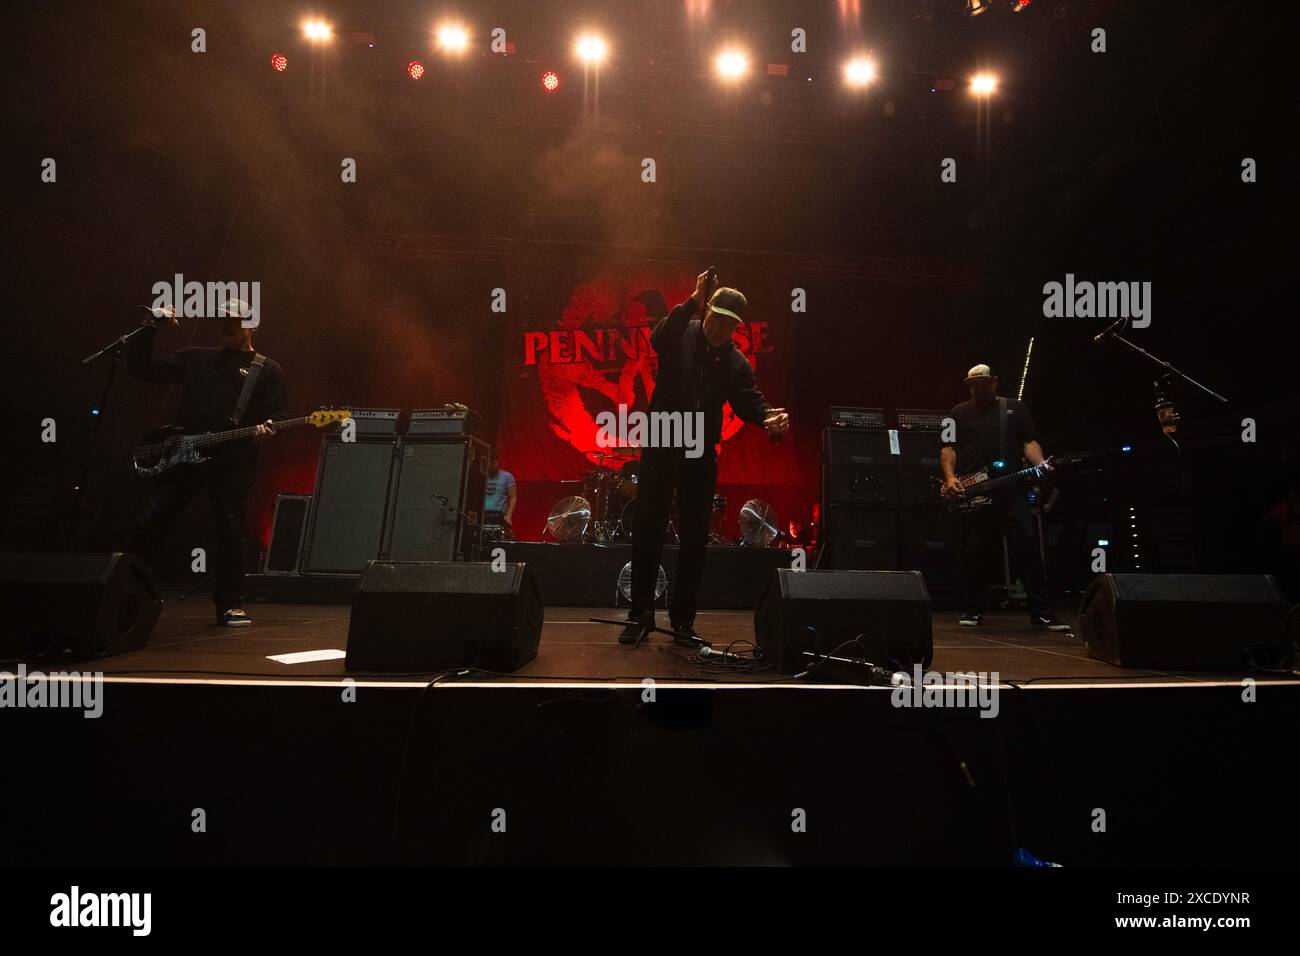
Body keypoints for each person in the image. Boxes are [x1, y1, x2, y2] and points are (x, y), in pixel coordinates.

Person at [622, 269, 790, 646]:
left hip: (700, 445)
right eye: (715, 318)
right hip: (664, 435)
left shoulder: (735, 361)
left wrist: (768, 417)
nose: (719, 328)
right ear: (707, 311)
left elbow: (749, 399)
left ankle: (683, 621)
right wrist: (693, 299)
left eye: (729, 324)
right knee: (649, 526)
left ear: (736, 327)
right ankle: (640, 613)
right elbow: (658, 336)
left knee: (695, 536)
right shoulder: (681, 332)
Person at [126, 303, 287, 626]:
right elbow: (141, 370)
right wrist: (150, 327)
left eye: (234, 323)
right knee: (152, 523)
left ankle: (229, 604)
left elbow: (278, 415)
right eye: (223, 323)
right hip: (184, 454)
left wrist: (266, 429)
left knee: (230, 531)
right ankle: (124, 590)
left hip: (232, 459)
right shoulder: (196, 357)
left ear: (252, 326)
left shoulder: (267, 369)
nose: (226, 328)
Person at [938, 363, 1070, 631]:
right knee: (976, 553)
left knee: (1029, 550)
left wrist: (1041, 463)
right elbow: (947, 448)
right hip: (977, 494)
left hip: (1012, 493)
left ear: (994, 381)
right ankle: (974, 609)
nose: (977, 388)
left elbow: (1029, 442)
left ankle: (1041, 612)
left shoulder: (1015, 409)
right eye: (973, 384)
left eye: (982, 383)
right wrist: (951, 478)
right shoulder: (956, 414)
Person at [484, 448, 517, 536]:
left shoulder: (507, 476)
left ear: (497, 462)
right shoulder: (481, 474)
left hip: (499, 516)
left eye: (494, 462)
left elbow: (513, 498)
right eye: (490, 462)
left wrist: (509, 515)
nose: (492, 465)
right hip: (483, 515)